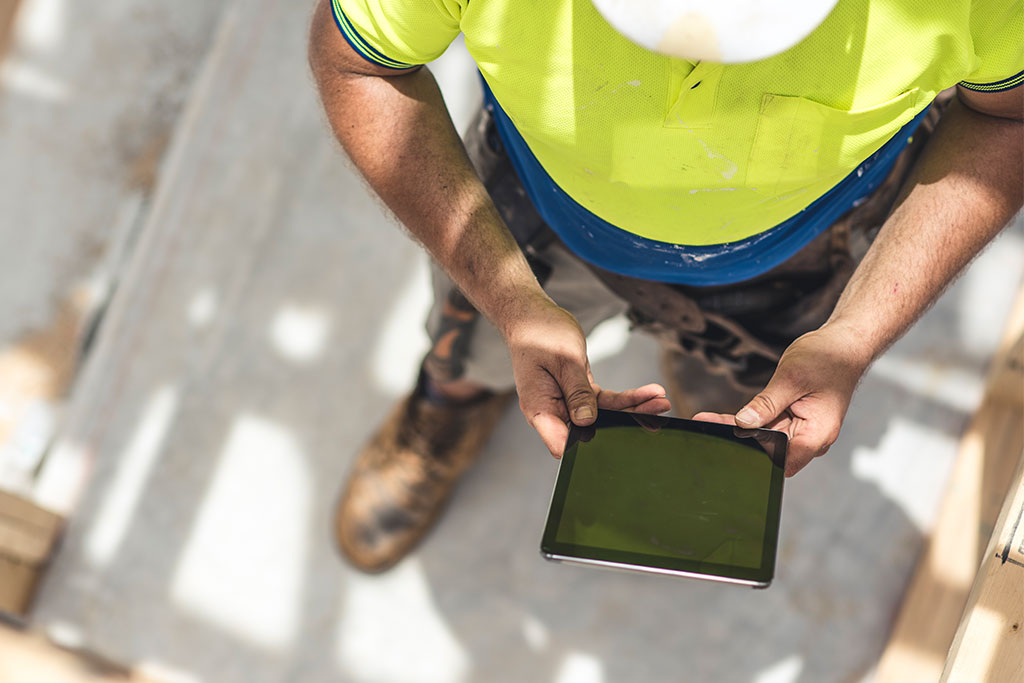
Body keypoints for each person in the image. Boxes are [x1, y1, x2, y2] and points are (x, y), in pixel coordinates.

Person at [308, 0, 1024, 573]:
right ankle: (451, 406)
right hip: (532, 215)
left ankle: (702, 387)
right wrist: (509, 297)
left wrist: (854, 333)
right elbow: (362, 66)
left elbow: (1008, 114)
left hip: (801, 253)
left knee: (743, 416)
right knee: (474, 349)